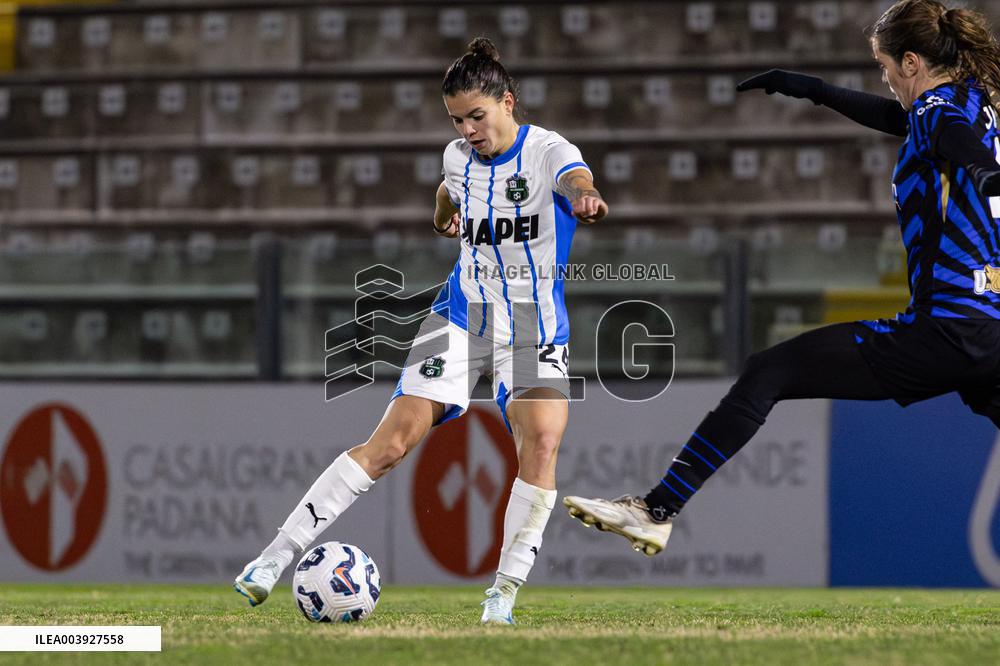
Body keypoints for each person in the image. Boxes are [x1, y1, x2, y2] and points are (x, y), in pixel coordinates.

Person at [562, 0, 1000, 556]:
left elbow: (948, 138)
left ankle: (655, 510)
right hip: (990, 327)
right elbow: (908, 121)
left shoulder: (940, 111)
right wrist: (814, 89)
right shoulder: (974, 100)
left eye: (886, 66)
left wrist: (987, 175)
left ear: (912, 62)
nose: (884, 79)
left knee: (770, 370)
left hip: (944, 329)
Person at [234, 37, 608, 624]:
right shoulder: (457, 158)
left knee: (540, 443)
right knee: (388, 446)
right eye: (457, 120)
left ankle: (501, 596)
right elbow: (447, 192)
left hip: (534, 328)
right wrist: (443, 217)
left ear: (508, 101)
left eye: (477, 117)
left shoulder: (547, 150)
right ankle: (271, 560)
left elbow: (574, 177)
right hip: (460, 315)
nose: (468, 131)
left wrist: (585, 198)